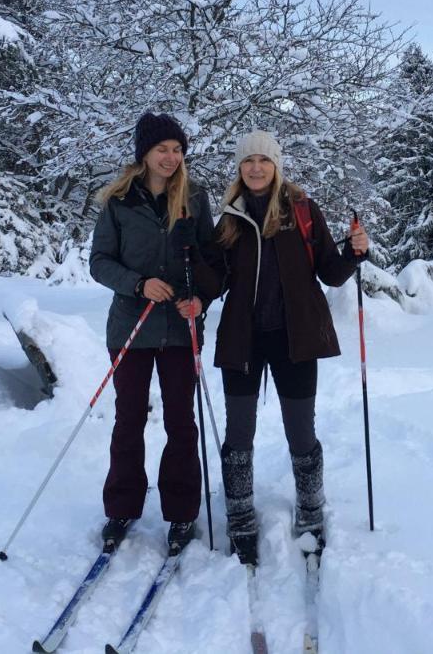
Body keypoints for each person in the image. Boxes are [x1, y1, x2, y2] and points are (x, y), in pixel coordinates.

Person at [208, 130, 369, 566]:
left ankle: (311, 505)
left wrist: (355, 254)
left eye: (264, 160)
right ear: (239, 170)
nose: (256, 168)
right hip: (243, 339)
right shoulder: (229, 216)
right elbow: (214, 278)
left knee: (301, 429)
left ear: (277, 166)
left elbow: (331, 273)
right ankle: (240, 513)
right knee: (238, 432)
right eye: (248, 161)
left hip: (295, 339)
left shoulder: (302, 210)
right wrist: (192, 279)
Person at [89, 112, 219, 555]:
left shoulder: (196, 198)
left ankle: (182, 511)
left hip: (181, 330)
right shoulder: (119, 201)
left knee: (182, 422)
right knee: (130, 419)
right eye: (162, 149)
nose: (171, 157)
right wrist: (138, 284)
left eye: (177, 149)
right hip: (131, 326)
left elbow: (210, 262)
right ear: (144, 153)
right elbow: (100, 262)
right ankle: (122, 506)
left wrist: (199, 296)